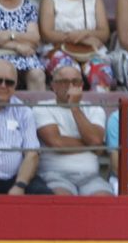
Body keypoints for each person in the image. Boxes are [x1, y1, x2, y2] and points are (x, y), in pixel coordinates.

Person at [35, 61, 111, 195]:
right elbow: (57, 143)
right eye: (64, 82)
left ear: (82, 85)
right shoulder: (41, 107)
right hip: (54, 175)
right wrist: (91, 146)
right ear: (53, 86)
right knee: (62, 199)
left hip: (90, 176)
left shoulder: (95, 109)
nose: (70, 86)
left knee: (104, 200)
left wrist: (75, 108)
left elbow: (95, 140)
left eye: (75, 82)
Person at [39, 0, 112, 90]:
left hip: (90, 51)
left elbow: (104, 33)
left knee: (102, 72)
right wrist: (80, 38)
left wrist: (85, 33)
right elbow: (46, 33)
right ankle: (71, 106)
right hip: (58, 49)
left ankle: (98, 107)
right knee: (69, 72)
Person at [0, 60, 47, 193]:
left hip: (15, 178)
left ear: (15, 86)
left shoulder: (24, 111)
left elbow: (32, 153)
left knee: (43, 195)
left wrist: (20, 185)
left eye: (9, 82)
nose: (3, 86)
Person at [0, 0, 46, 92]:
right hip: (4, 53)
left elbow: (34, 39)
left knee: (37, 74)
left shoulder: (27, 6)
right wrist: (17, 46)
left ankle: (37, 109)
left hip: (24, 55)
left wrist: (11, 34)